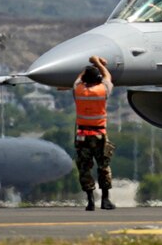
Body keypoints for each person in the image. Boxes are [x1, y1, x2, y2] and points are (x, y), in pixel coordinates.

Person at [73, 55, 116, 211]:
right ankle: (105, 200)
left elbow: (78, 79)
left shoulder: (78, 90)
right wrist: (98, 62)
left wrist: (87, 67)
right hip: (99, 136)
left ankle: (90, 201)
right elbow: (108, 76)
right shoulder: (102, 90)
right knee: (103, 167)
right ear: (98, 79)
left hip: (82, 136)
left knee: (84, 168)